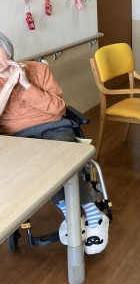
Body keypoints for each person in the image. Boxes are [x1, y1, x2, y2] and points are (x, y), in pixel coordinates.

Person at [0, 32, 109, 254]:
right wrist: (11, 83)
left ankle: (93, 214)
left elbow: (58, 108)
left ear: (8, 51)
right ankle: (71, 214)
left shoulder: (38, 70)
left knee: (61, 164)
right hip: (16, 137)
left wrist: (26, 85)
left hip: (54, 127)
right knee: (40, 169)